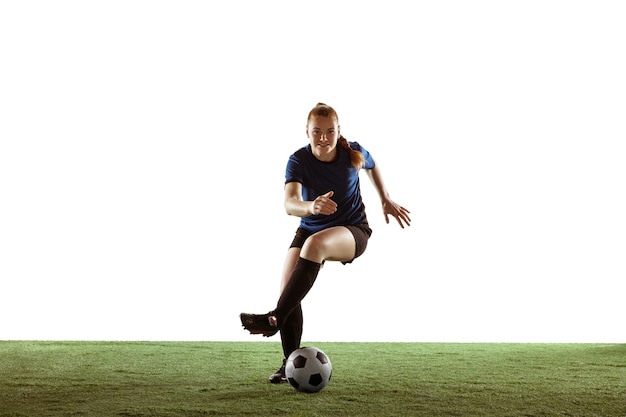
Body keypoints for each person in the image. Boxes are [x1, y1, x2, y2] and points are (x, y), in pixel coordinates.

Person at [240, 102, 411, 383]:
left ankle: (273, 319)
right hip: (310, 226)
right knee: (289, 290)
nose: (323, 138)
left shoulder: (351, 152)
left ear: (338, 131)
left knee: (314, 247)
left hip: (351, 230)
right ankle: (290, 363)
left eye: (329, 131)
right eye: (316, 132)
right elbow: (290, 203)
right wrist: (312, 207)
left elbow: (373, 164)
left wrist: (385, 198)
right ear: (306, 132)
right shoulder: (298, 160)